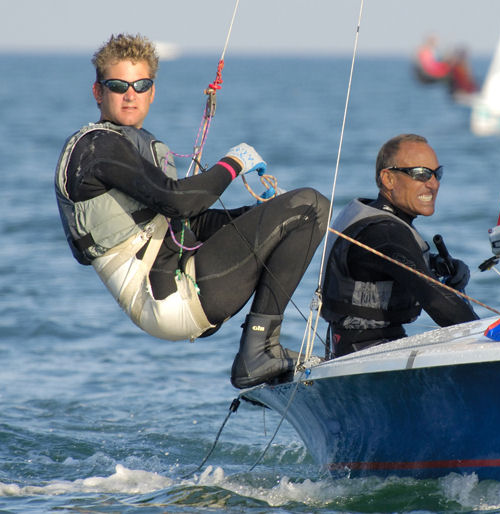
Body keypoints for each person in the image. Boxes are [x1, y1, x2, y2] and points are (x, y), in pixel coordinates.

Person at [54, 33, 330, 388]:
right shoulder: (95, 147)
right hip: (167, 297)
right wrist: (232, 162)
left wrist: (258, 219)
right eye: (118, 85)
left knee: (294, 215)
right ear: (98, 92)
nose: (130, 94)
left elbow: (180, 220)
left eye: (140, 85)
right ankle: (258, 350)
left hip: (179, 275)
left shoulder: (135, 145)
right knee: (309, 206)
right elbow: (179, 202)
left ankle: (264, 348)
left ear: (152, 91)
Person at [321, 134, 478, 357]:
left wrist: (437, 265)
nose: (433, 183)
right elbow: (435, 300)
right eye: (421, 174)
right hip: (365, 356)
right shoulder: (385, 232)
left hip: (362, 347)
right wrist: (490, 338)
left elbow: (387, 266)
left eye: (437, 174)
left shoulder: (378, 220)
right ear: (388, 179)